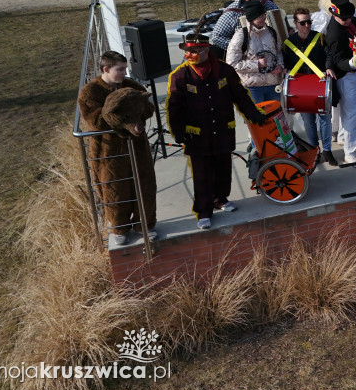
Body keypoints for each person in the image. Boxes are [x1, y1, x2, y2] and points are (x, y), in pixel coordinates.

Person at [166, 33, 267, 230]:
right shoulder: (179, 76)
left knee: (223, 168)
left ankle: (221, 199)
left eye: (194, 52)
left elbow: (240, 96)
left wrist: (254, 114)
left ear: (206, 51)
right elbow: (174, 107)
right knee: (202, 174)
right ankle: (203, 211)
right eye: (188, 52)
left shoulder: (224, 70)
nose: (190, 56)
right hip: (197, 135)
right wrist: (178, 132)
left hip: (222, 130)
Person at [77, 51, 158, 245]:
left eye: (125, 68)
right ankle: (119, 227)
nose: (124, 73)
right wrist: (117, 105)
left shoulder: (130, 85)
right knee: (113, 186)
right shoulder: (90, 92)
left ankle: (144, 225)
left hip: (136, 146)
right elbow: (96, 121)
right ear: (106, 69)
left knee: (144, 183)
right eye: (119, 69)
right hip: (108, 150)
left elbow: (148, 108)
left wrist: (134, 110)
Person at [282, 7, 337, 167]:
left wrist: (328, 67)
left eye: (309, 22)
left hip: (318, 84)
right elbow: (285, 61)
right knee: (308, 121)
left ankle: (327, 150)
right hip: (301, 87)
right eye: (303, 22)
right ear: (295, 23)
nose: (307, 25)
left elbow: (328, 55)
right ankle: (314, 150)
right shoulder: (288, 43)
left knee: (325, 119)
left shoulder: (319, 38)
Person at [324, 0, 356, 164]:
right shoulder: (334, 33)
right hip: (346, 77)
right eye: (344, 18)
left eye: (349, 16)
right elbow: (337, 60)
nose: (348, 20)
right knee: (352, 114)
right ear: (335, 16)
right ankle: (350, 152)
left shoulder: (354, 22)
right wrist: (351, 63)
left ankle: (344, 137)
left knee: (351, 113)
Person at [226, 0, 284, 104]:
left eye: (264, 14)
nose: (263, 18)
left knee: (275, 118)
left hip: (273, 85)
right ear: (251, 17)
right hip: (252, 88)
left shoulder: (271, 32)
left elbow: (279, 52)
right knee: (256, 119)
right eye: (260, 15)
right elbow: (232, 63)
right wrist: (257, 64)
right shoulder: (241, 35)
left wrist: (280, 66)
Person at [209, 0, 281, 58]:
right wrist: (238, 47)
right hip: (247, 60)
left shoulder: (268, 5)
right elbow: (216, 37)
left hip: (275, 54)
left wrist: (288, 30)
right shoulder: (232, 13)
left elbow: (282, 25)